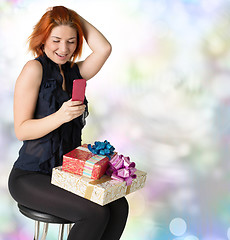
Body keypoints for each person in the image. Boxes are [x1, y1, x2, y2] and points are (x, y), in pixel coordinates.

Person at [8, 6, 129, 240]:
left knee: (118, 206)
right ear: (43, 38)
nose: (64, 49)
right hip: (31, 176)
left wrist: (72, 17)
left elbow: (104, 49)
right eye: (56, 40)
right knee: (94, 214)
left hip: (65, 174)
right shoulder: (34, 69)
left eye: (71, 41)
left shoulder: (75, 72)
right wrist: (60, 116)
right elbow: (21, 129)